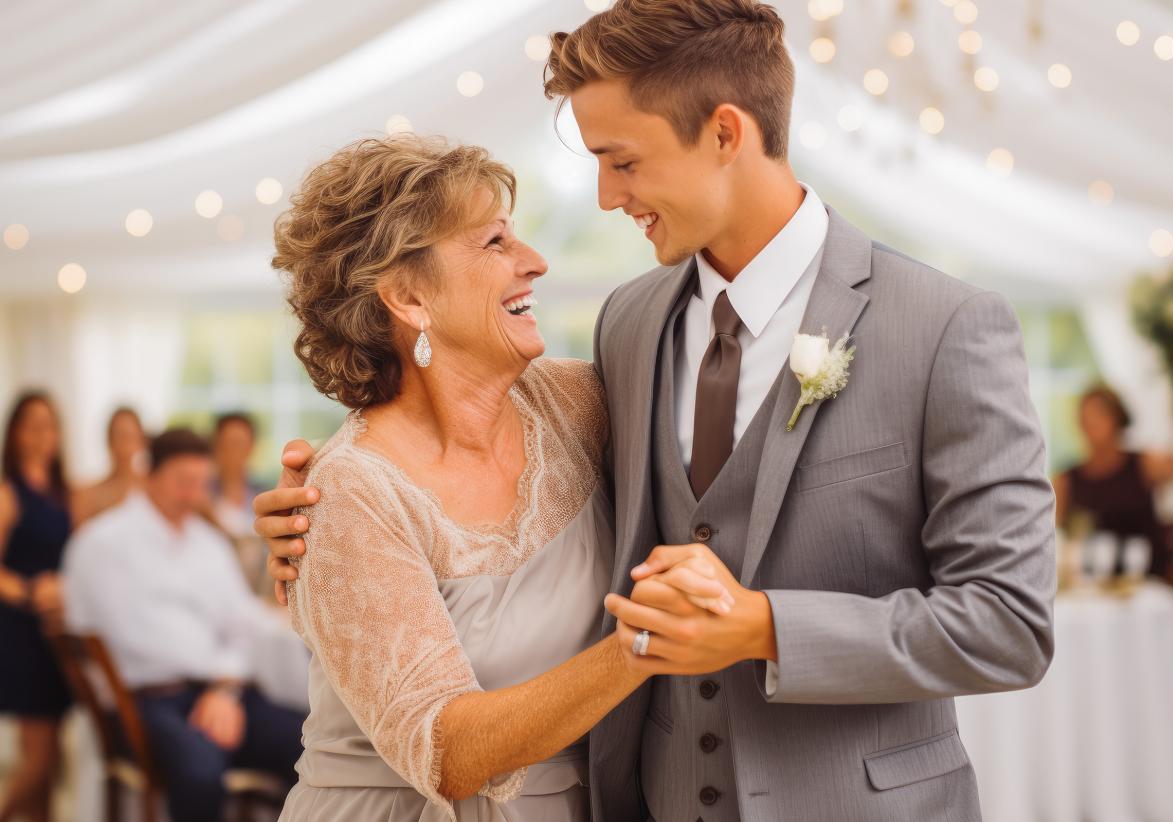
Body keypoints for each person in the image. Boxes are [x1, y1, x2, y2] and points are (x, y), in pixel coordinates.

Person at [258, 2, 1056, 820]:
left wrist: (766, 627)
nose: (606, 198)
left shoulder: (944, 325)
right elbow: (423, 480)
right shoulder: (629, 328)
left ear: (723, 133)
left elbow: (1011, 623)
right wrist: (311, 530)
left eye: (622, 160)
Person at [256, 134, 730, 822]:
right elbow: (448, 755)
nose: (534, 262)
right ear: (408, 298)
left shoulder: (578, 405)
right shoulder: (348, 493)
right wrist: (643, 644)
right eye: (494, 243)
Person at [63, 429, 305, 822]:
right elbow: (132, 641)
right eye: (183, 483)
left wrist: (224, 689)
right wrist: (215, 685)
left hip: (219, 692)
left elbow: (241, 624)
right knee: (200, 771)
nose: (194, 495)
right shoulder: (102, 544)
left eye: (201, 484)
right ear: (149, 476)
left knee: (309, 743)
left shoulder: (208, 544)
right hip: (144, 701)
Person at [0, 392, 74, 822]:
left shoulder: (62, 493)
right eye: (31, 425)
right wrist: (31, 591)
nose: (42, 435)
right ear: (15, 433)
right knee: (40, 758)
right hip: (21, 634)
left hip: (55, 635)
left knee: (50, 763)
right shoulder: (9, 492)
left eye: (49, 425)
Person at [1053, 385, 1173, 577]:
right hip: (1091, 585)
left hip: (1147, 579)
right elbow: (1057, 538)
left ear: (1117, 419)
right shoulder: (1066, 480)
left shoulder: (1145, 464)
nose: (1091, 422)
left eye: (1099, 415)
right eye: (1085, 417)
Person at [76, 406, 148, 524]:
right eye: (119, 436)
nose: (124, 445)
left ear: (141, 441)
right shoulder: (88, 495)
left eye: (129, 437)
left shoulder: (152, 489)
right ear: (109, 441)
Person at [211, 412, 260, 540]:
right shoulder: (201, 495)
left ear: (251, 447)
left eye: (239, 444)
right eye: (227, 445)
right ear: (216, 446)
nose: (233, 453)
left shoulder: (263, 493)